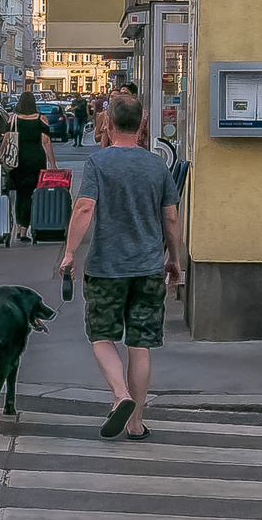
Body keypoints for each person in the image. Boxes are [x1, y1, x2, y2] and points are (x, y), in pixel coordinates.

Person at [58, 95, 182, 440]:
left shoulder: (99, 163)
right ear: (143, 124)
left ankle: (120, 394)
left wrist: (69, 253)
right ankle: (136, 423)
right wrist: (174, 259)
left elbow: (84, 209)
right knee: (140, 345)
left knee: (101, 336)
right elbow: (170, 217)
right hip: (148, 268)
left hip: (107, 267)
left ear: (108, 124)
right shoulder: (158, 166)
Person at [10, 92, 55, 243]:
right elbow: (46, 142)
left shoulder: (13, 119)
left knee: (20, 194)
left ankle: (17, 227)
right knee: (31, 194)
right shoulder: (41, 120)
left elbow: (6, 139)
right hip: (36, 160)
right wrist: (52, 163)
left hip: (17, 161)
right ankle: (24, 230)